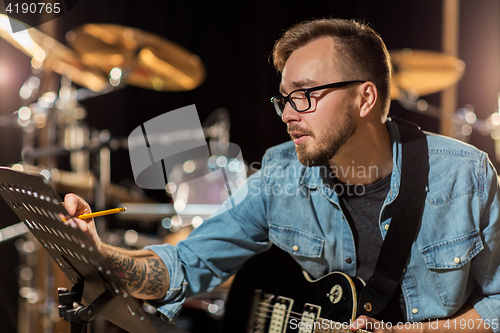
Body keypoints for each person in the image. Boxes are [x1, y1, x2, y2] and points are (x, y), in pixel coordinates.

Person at [63, 18, 500, 332]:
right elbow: (187, 263)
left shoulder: (465, 176)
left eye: (305, 96)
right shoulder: (280, 174)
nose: (289, 114)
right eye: (284, 99)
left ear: (365, 98)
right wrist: (100, 254)